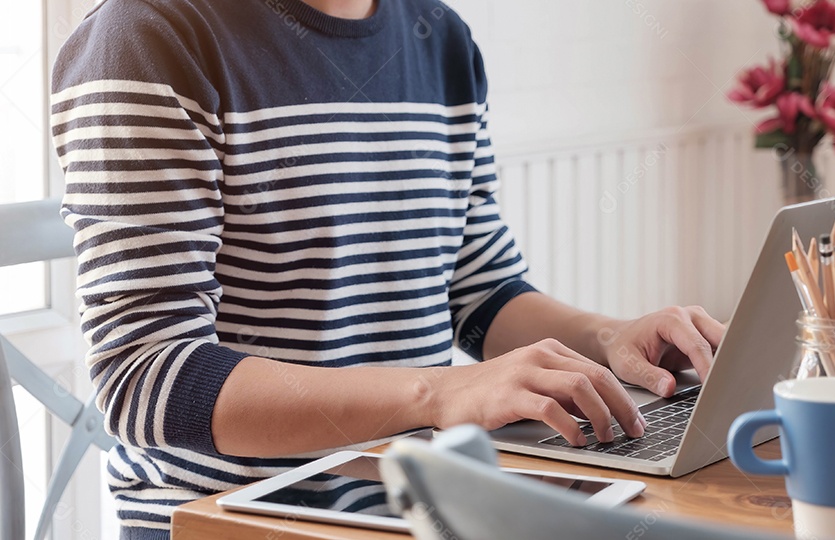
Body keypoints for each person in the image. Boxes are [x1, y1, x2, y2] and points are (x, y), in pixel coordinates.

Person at [51, 0, 725, 537]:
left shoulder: (443, 41)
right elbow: (147, 380)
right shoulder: (147, 37)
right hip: (241, 516)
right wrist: (437, 394)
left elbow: (479, 289)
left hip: (418, 504)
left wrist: (611, 339)